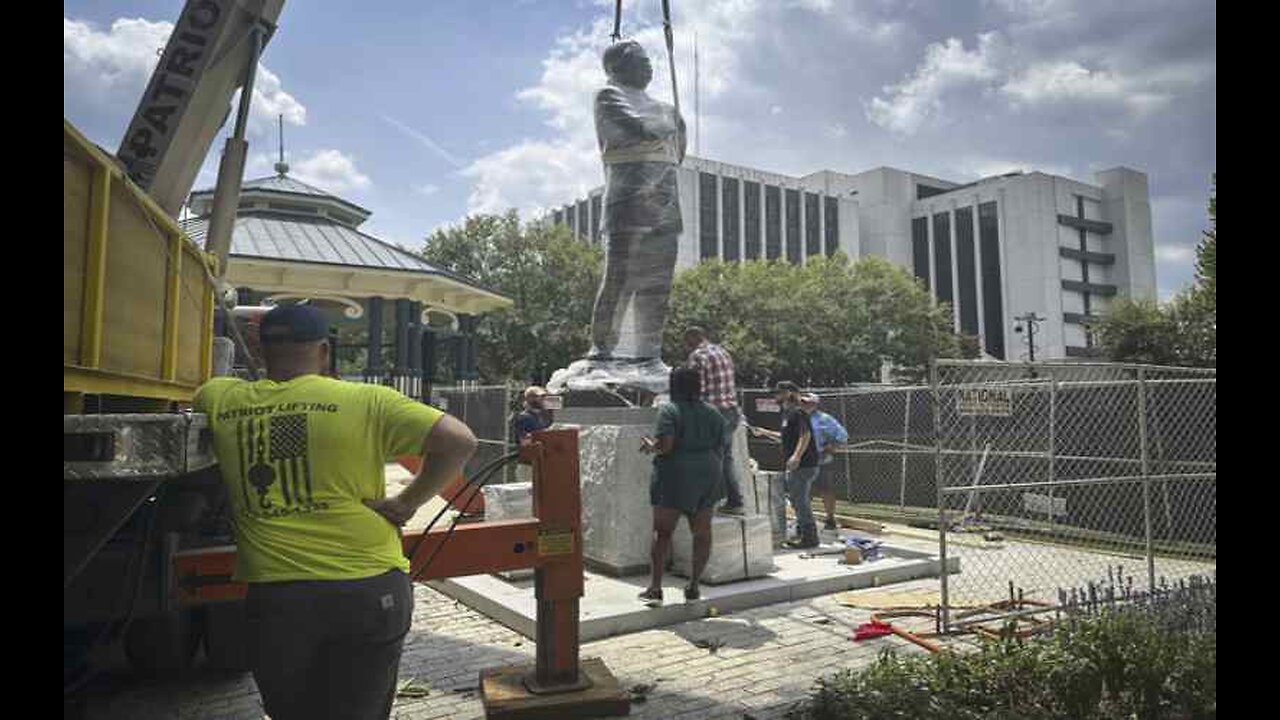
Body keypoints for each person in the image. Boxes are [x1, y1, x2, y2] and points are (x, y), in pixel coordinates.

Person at [193, 304, 478, 720]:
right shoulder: (366, 400)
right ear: (324, 352)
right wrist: (406, 503)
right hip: (368, 588)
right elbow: (459, 440)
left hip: (278, 597)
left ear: (259, 351)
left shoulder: (218, 398)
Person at [587, 40, 687, 361]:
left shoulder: (666, 108)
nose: (649, 66)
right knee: (620, 278)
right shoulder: (608, 96)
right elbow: (636, 130)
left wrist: (674, 123)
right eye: (641, 60)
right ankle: (603, 347)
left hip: (665, 204)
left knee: (658, 286)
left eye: (649, 61)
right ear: (617, 66)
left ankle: (649, 351)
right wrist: (668, 124)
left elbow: (678, 152)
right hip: (627, 204)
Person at [637, 367, 727, 605]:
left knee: (663, 533)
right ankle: (694, 586)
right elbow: (721, 446)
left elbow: (666, 445)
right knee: (702, 532)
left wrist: (650, 445)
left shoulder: (669, 410)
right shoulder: (713, 412)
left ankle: (655, 589)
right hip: (709, 473)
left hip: (675, 475)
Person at [684, 326, 746, 515]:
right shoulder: (723, 352)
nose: (687, 347)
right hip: (731, 411)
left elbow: (694, 389)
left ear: (693, 338)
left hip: (712, 414)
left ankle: (707, 501)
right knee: (724, 458)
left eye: (687, 342)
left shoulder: (698, 356)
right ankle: (734, 501)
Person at [753, 381, 821, 549]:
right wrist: (764, 432)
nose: (776, 396)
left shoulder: (798, 413)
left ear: (789, 393)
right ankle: (802, 533)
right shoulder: (787, 414)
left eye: (779, 393)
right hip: (799, 465)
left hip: (803, 464)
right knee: (797, 499)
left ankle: (810, 537)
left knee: (799, 501)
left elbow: (805, 436)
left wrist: (796, 456)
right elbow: (784, 437)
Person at [799, 393, 849, 531]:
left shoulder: (824, 419)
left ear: (815, 404)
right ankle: (804, 521)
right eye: (803, 402)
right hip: (802, 460)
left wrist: (832, 447)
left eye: (808, 403)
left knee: (826, 490)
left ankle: (830, 518)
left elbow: (842, 435)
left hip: (821, 460)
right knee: (802, 492)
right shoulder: (797, 417)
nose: (805, 405)